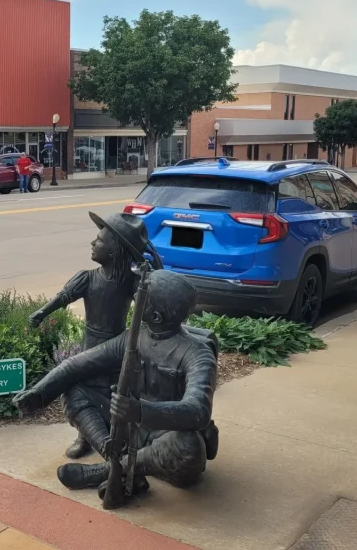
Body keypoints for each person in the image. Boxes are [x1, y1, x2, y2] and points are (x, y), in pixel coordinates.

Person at [14, 271, 220, 499]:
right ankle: (114, 457)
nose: (134, 300)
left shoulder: (197, 354)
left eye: (141, 298)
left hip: (167, 442)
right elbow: (78, 364)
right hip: (130, 433)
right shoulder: (134, 337)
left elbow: (198, 411)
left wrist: (140, 411)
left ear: (156, 316)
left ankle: (108, 470)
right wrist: (38, 394)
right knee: (75, 390)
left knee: (189, 446)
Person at [29, 212, 144, 460]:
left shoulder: (130, 283)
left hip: (114, 348)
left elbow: (150, 302)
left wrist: (150, 275)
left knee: (111, 392)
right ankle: (85, 436)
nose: (93, 243)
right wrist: (41, 312)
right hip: (89, 344)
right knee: (79, 387)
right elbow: (63, 297)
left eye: (99, 241)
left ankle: (115, 437)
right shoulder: (88, 278)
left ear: (113, 252)